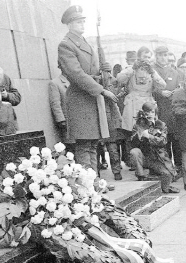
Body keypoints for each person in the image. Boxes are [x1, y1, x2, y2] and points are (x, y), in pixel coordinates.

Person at [57, 5, 119, 186]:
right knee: (84, 144)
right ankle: (88, 184)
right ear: (69, 24)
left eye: (83, 21)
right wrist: (101, 89)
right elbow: (76, 74)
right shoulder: (66, 45)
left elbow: (90, 69)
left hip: (90, 99)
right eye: (78, 22)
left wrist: (103, 69)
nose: (82, 24)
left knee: (93, 143)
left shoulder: (84, 42)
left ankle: (95, 181)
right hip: (80, 99)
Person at [128, 102, 179, 194]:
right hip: (144, 157)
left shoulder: (161, 125)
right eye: (147, 113)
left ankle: (163, 186)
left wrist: (149, 136)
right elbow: (131, 144)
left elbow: (163, 141)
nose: (150, 115)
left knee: (167, 175)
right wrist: (138, 136)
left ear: (156, 113)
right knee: (134, 152)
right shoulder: (138, 125)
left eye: (152, 112)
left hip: (157, 158)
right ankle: (141, 178)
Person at [153, 45, 182, 169]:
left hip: (172, 110)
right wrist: (160, 93)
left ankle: (179, 167)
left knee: (175, 140)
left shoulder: (174, 72)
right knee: (163, 141)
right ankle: (167, 168)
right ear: (156, 56)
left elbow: (179, 88)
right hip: (159, 109)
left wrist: (175, 92)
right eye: (161, 55)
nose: (164, 58)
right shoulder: (152, 70)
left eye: (165, 55)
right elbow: (148, 89)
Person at [48, 68, 72, 146]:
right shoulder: (55, 83)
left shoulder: (76, 81)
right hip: (68, 124)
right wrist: (61, 120)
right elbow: (55, 104)